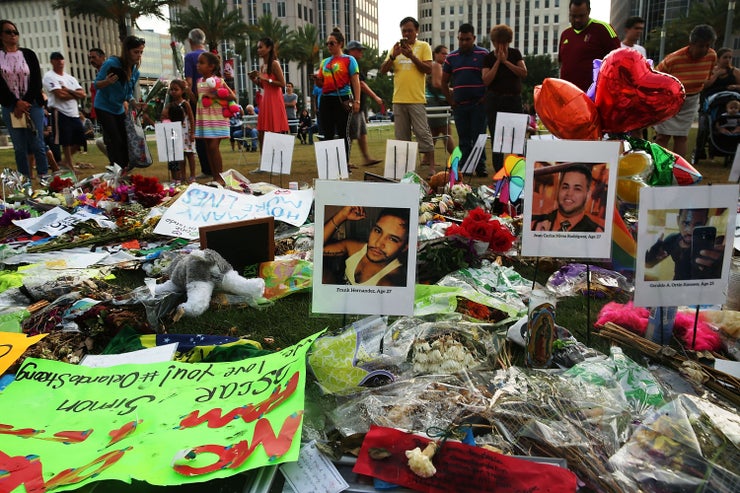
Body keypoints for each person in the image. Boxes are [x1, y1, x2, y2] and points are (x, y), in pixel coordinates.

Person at [380, 17, 435, 176]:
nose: (407, 33)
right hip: (398, 100)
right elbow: (383, 70)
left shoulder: (424, 46)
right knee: (401, 138)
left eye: (410, 30)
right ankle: (405, 170)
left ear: (417, 31)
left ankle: (431, 167)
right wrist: (392, 57)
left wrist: (411, 56)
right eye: (404, 30)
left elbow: (428, 69)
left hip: (416, 99)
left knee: (423, 133)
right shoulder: (395, 49)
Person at [654, 25, 717, 159]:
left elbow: (707, 77)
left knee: (681, 136)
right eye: (701, 46)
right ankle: (658, 168)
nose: (705, 50)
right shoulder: (673, 59)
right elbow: (655, 79)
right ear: (692, 44)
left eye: (708, 45)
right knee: (662, 136)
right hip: (669, 100)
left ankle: (679, 171)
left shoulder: (712, 56)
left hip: (692, 99)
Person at [0, 19, 50, 181]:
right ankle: (25, 179)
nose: (13, 35)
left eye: (15, 32)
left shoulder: (28, 54)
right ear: (1, 35)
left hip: (32, 104)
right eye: (8, 32)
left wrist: (25, 102)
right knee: (19, 147)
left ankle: (44, 177)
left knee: (37, 143)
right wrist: (15, 103)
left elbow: (36, 80)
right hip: (10, 107)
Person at [441, 24, 489, 177]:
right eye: (461, 39)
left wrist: (485, 98)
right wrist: (451, 101)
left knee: (479, 137)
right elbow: (444, 82)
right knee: (464, 138)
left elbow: (491, 78)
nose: (464, 42)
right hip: (460, 106)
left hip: (478, 105)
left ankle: (480, 166)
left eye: (467, 39)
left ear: (474, 38)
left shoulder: (483, 54)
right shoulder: (451, 58)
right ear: (458, 38)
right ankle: (466, 167)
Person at [323, 206, 410, 287]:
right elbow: (314, 249)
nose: (378, 243)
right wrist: (341, 216)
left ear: (405, 247)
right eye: (378, 231)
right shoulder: (355, 248)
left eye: (393, 239)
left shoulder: (389, 282)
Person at [94, 35, 145, 170]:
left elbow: (127, 93)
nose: (139, 55)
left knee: (124, 141)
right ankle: (117, 169)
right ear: (127, 51)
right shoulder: (111, 64)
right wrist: (107, 82)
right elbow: (96, 85)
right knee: (115, 139)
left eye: (141, 52)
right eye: (136, 52)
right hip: (104, 106)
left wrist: (134, 102)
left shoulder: (135, 71)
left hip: (118, 108)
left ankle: (122, 169)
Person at [482, 24, 527, 173]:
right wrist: (497, 62)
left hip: (513, 100)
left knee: (517, 137)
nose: (501, 45)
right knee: (497, 137)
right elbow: (486, 80)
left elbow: (523, 72)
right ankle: (500, 171)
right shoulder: (488, 58)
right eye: (498, 42)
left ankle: (518, 169)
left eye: (505, 42)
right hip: (495, 101)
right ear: (493, 42)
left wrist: (506, 62)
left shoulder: (515, 54)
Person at [315, 28, 361, 166]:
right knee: (327, 132)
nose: (329, 46)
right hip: (326, 99)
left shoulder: (349, 60)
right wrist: (317, 80)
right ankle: (329, 163)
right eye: (328, 43)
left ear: (340, 44)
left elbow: (355, 81)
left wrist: (357, 100)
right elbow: (321, 82)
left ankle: (344, 162)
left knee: (342, 132)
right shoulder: (325, 62)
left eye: (332, 43)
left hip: (342, 98)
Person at [558, 0, 620, 92]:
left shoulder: (603, 29)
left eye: (581, 16)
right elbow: (561, 64)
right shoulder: (565, 34)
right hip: (569, 96)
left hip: (594, 96)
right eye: (573, 16)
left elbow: (618, 60)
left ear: (589, 11)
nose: (577, 20)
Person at [645, 208, 724, 280]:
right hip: (676, 287)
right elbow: (648, 265)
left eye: (697, 225)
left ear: (706, 222)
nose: (690, 231)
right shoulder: (673, 239)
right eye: (686, 223)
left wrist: (721, 268)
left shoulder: (710, 246)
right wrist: (653, 252)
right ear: (678, 220)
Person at [194, 51, 236, 185]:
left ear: (211, 66)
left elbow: (232, 97)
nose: (198, 65)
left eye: (201, 63)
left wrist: (215, 96)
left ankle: (219, 177)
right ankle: (214, 176)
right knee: (208, 147)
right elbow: (198, 100)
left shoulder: (219, 81)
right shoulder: (199, 82)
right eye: (198, 62)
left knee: (213, 147)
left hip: (216, 119)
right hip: (204, 119)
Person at [42, 52, 87, 169]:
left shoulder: (70, 78)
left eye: (61, 59)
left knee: (81, 139)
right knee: (65, 141)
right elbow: (60, 94)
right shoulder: (49, 76)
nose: (60, 62)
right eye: (56, 59)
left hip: (74, 112)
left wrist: (69, 91)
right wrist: (75, 94)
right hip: (60, 111)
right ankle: (70, 165)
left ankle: (63, 161)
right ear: (52, 61)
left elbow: (83, 94)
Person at [531, 163, 603, 233]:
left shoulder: (596, 233)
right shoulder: (535, 224)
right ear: (559, 189)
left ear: (587, 195)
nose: (569, 193)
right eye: (565, 187)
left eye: (577, 189)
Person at [248, 37, 289, 153]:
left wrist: (266, 79)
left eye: (261, 47)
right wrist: (254, 80)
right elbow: (263, 85)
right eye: (258, 47)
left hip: (275, 100)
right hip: (265, 99)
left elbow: (282, 83)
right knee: (261, 131)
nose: (258, 50)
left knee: (275, 130)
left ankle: (277, 160)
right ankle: (263, 162)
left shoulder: (274, 64)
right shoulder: (262, 66)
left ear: (269, 48)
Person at [345, 40, 382, 166]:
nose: (361, 52)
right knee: (350, 134)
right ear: (351, 51)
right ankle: (346, 161)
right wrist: (375, 96)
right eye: (358, 50)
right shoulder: (350, 63)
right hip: (353, 104)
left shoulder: (354, 63)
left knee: (362, 133)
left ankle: (366, 157)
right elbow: (361, 84)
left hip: (358, 105)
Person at [184, 28, 211, 179]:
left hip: (198, 99)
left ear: (190, 41)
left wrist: (192, 98)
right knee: (212, 133)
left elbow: (189, 82)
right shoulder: (211, 56)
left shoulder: (190, 57)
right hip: (212, 99)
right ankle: (214, 166)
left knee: (200, 135)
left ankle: (206, 168)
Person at [161, 79, 196, 183]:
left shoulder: (185, 103)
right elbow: (165, 117)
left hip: (187, 132)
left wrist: (192, 133)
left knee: (190, 154)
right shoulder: (170, 105)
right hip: (176, 133)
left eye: (176, 89)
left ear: (182, 91)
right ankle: (183, 175)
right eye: (171, 90)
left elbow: (191, 118)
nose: (173, 92)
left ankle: (193, 175)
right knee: (180, 155)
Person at [426, 45, 456, 157]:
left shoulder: (435, 66)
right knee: (446, 132)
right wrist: (452, 90)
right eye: (443, 53)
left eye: (446, 54)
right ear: (436, 54)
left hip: (432, 102)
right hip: (437, 102)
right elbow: (437, 84)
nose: (445, 56)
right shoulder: (437, 65)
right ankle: (456, 157)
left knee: (434, 131)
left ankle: (426, 158)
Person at [87, 47, 108, 158]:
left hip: (109, 111)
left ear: (102, 57)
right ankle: (115, 162)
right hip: (102, 112)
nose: (91, 60)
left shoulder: (107, 71)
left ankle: (118, 163)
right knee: (104, 140)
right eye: (90, 58)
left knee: (108, 139)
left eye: (94, 57)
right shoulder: (99, 73)